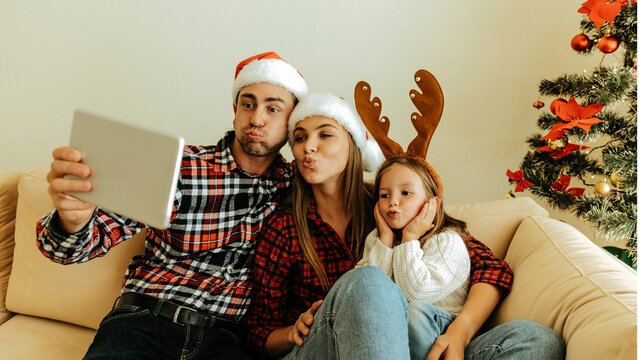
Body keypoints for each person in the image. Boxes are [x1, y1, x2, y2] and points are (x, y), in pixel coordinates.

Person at [246, 92, 565, 359]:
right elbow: (258, 333)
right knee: (368, 280)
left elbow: (490, 269)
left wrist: (461, 331)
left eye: (324, 134)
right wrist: (291, 332)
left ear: (353, 144)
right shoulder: (284, 226)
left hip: (420, 346)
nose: (308, 147)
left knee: (537, 339)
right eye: (299, 138)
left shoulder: (394, 202)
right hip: (325, 349)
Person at [35, 51, 307, 359]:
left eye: (273, 108)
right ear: (235, 111)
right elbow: (73, 248)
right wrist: (72, 221)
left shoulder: (297, 186)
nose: (256, 118)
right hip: (144, 321)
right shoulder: (179, 166)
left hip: (225, 340)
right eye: (248, 104)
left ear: (291, 122)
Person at [356, 155, 471, 360]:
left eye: (406, 193)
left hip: (441, 326)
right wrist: (385, 240)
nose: (393, 202)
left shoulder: (447, 242)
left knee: (415, 312)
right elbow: (368, 294)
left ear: (431, 203)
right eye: (384, 195)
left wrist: (410, 239)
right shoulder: (379, 240)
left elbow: (417, 294)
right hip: (397, 332)